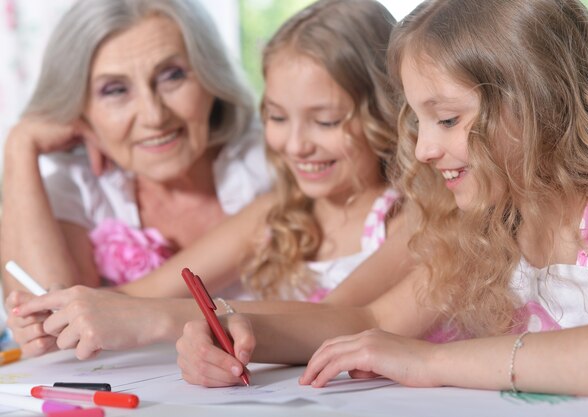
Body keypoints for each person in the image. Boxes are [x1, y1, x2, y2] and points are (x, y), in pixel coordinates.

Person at [175, 0, 588, 397]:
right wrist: (244, 332)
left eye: (447, 120)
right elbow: (370, 319)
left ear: (537, 101)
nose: (424, 149)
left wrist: (431, 363)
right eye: (420, 121)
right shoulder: (487, 221)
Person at [10, 0, 411, 360]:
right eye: (276, 116)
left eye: (324, 121)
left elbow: (338, 319)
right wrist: (62, 315)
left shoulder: (410, 216)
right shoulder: (280, 209)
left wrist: (159, 320)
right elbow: (129, 299)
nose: (295, 146)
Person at [1, 0, 272, 355]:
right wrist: (20, 145)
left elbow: (63, 317)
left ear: (210, 77)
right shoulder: (75, 189)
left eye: (173, 75)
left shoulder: (274, 161)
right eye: (115, 90)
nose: (154, 115)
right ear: (80, 108)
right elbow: (57, 336)